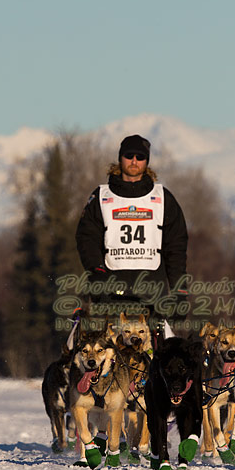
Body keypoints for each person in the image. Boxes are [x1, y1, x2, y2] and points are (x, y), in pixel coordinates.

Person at [75, 134, 189, 329]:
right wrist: (97, 271)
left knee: (160, 356)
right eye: (129, 155)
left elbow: (176, 248)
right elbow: (87, 239)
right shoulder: (101, 196)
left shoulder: (163, 198)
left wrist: (180, 291)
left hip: (153, 296)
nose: (134, 161)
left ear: (147, 161)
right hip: (110, 294)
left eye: (140, 157)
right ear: (120, 158)